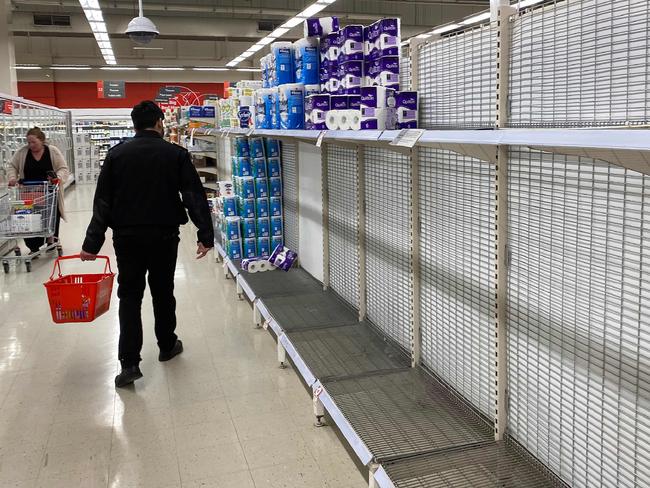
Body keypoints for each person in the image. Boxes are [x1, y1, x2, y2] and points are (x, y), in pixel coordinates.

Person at [80, 100, 214, 388]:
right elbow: (193, 194)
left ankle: (129, 364)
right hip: (164, 236)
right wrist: (205, 235)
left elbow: (103, 201)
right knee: (163, 291)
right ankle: (167, 345)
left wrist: (92, 243)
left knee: (129, 296)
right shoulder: (175, 154)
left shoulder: (116, 155)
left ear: (133, 124)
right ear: (158, 122)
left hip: (127, 237)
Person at [7, 127, 69, 253]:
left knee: (51, 216)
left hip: (49, 191)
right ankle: (33, 246)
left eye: (33, 142)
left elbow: (63, 168)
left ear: (42, 140)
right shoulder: (22, 152)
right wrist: (13, 178)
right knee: (29, 218)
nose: (30, 145)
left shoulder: (52, 151)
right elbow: (12, 166)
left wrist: (58, 178)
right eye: (28, 142)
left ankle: (51, 239)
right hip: (28, 192)